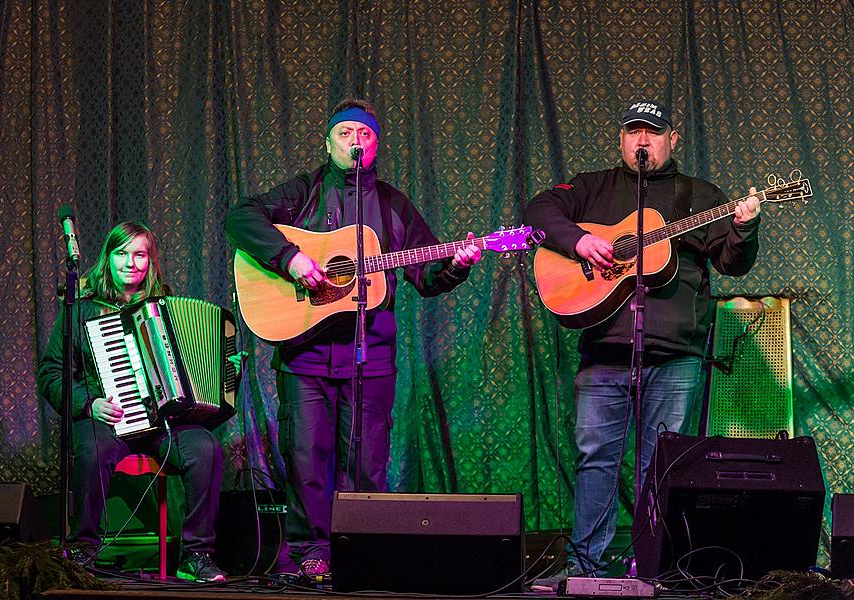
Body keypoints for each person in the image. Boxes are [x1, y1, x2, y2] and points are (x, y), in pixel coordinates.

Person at [224, 98, 482, 577]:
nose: (354, 142)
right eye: (345, 134)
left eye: (364, 135)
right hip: (305, 355)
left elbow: (426, 276)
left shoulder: (393, 205)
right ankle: (310, 552)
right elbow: (239, 218)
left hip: (372, 357)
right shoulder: (304, 191)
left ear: (376, 144)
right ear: (328, 143)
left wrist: (457, 265)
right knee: (306, 457)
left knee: (366, 459)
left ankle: (363, 547)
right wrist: (291, 259)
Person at [524, 100, 761, 590]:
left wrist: (744, 227)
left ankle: (659, 566)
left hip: (675, 353)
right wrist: (579, 243)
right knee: (595, 457)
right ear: (622, 140)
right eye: (633, 132)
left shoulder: (699, 195)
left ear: (673, 139)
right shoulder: (593, 187)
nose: (642, 141)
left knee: (666, 466)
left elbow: (733, 264)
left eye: (652, 133)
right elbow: (539, 211)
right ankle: (587, 564)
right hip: (605, 350)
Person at [37, 221, 228, 583]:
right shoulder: (80, 309)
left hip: (162, 423)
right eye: (121, 253)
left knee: (205, 448)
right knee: (92, 449)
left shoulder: (165, 307)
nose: (130, 262)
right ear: (107, 259)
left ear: (150, 262)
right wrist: (88, 403)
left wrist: (225, 369)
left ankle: (196, 554)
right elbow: (51, 371)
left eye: (139, 254)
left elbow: (196, 364)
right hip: (108, 419)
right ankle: (84, 548)